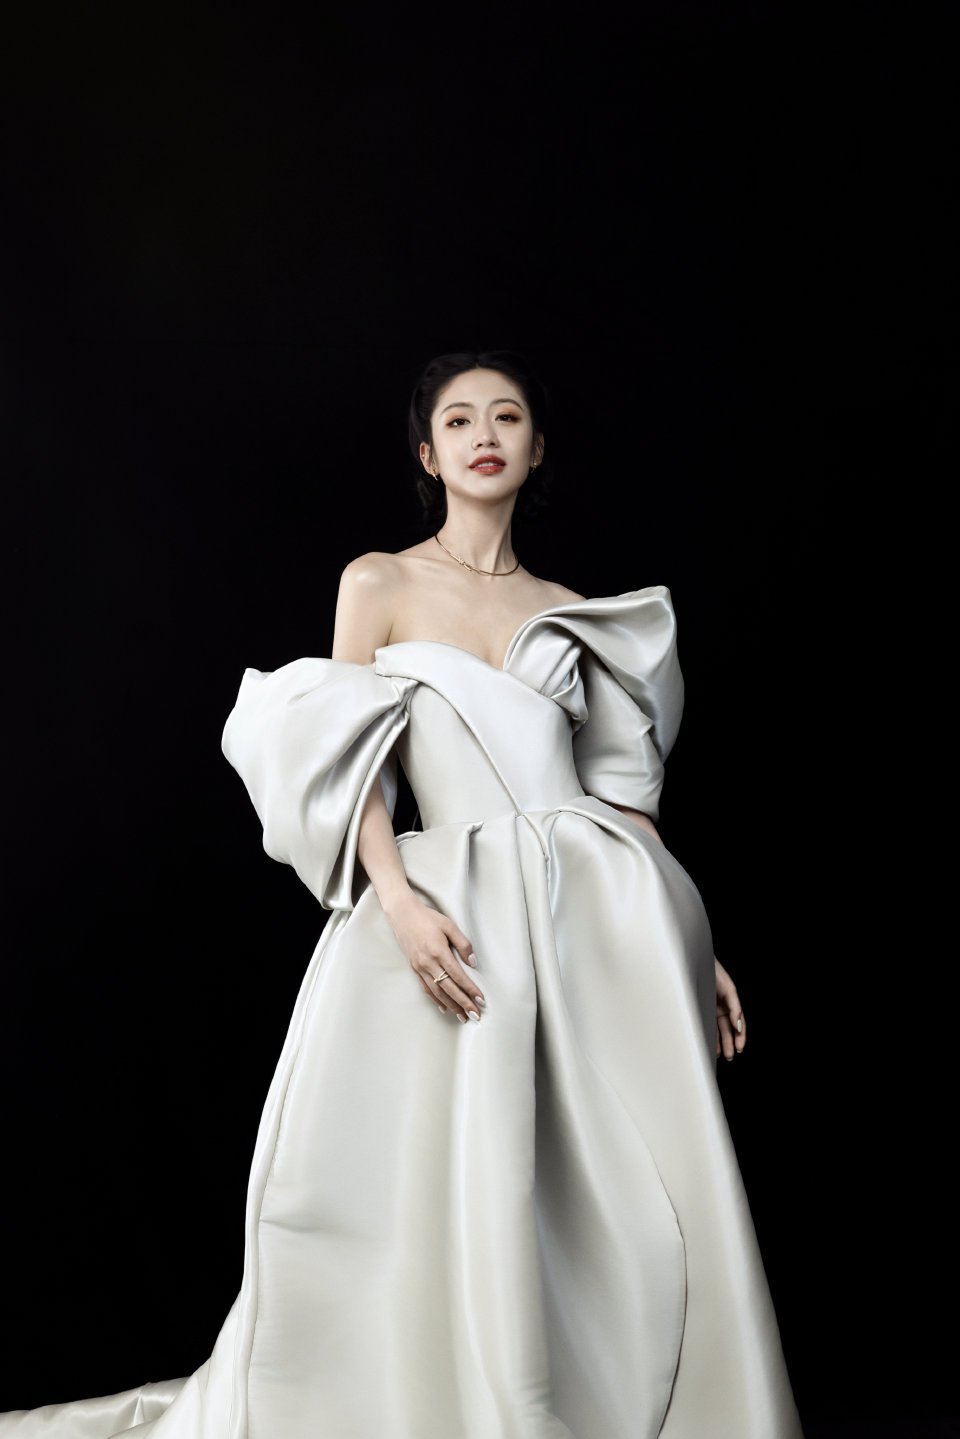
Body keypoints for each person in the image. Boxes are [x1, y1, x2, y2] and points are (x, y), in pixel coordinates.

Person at [0, 350, 805, 1437]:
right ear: (428, 455)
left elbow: (626, 805)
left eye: (507, 417)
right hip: (453, 903)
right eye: (459, 420)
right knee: (469, 1164)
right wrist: (397, 898)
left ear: (536, 449)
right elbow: (349, 758)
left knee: (611, 1182)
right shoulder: (378, 582)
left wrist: (689, 943)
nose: (485, 435)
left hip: (594, 919)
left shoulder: (572, 610)